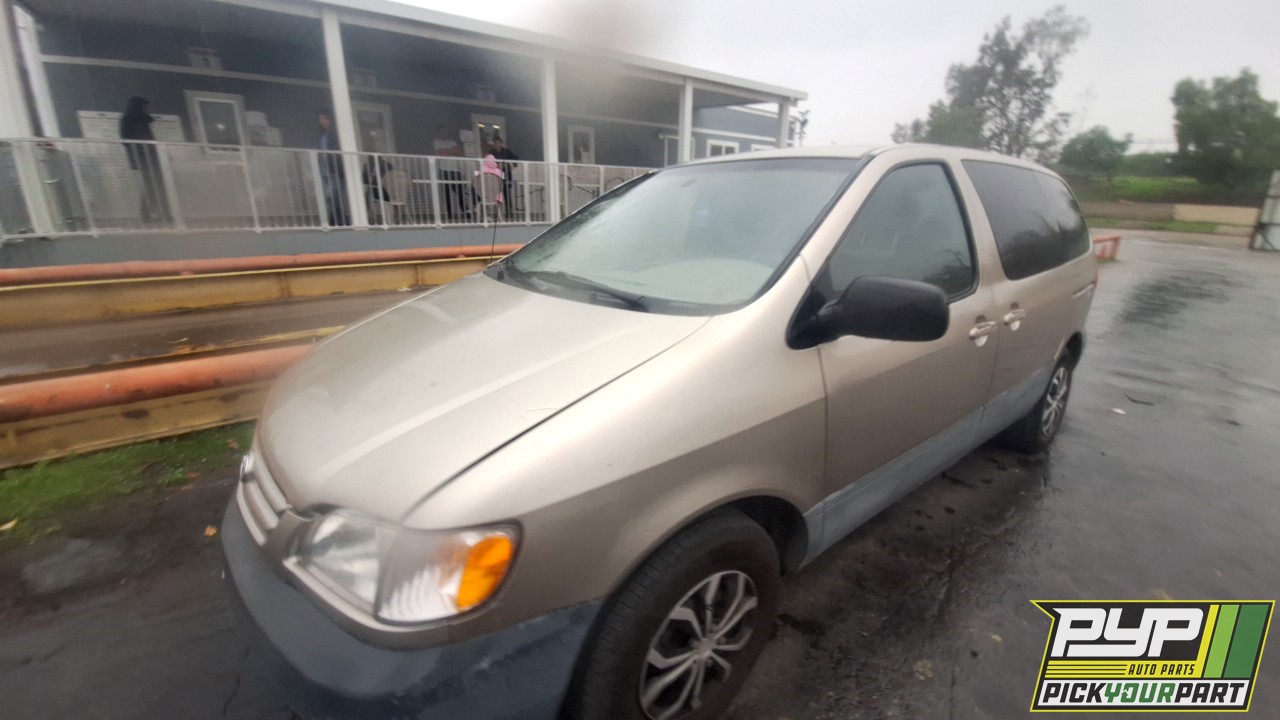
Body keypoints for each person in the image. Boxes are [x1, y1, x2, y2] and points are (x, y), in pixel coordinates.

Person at [119, 96, 170, 224]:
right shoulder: (134, 119)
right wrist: (146, 152)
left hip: (148, 157)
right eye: (146, 107)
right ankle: (155, 214)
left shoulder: (135, 120)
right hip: (146, 158)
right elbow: (135, 140)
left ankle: (155, 214)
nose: (148, 110)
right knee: (153, 185)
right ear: (139, 107)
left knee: (154, 185)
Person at [317, 111, 349, 226]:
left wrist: (335, 170)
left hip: (335, 172)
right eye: (321, 119)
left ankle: (339, 220)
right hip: (326, 172)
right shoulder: (323, 136)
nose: (323, 121)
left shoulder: (334, 135)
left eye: (325, 118)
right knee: (333, 198)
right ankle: (338, 219)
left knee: (332, 196)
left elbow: (337, 154)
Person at [432, 125, 464, 221]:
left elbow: (459, 152)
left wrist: (447, 151)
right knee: (446, 194)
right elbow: (439, 153)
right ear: (439, 132)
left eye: (446, 131)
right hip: (444, 170)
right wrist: (451, 151)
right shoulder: (436, 141)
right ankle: (449, 214)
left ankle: (464, 211)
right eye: (442, 131)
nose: (444, 133)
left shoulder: (452, 141)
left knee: (460, 192)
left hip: (455, 170)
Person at [488, 134, 519, 216]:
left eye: (498, 143)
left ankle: (509, 212)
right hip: (495, 176)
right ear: (493, 144)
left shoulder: (507, 152)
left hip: (506, 175)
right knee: (496, 194)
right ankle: (498, 213)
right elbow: (487, 162)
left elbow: (516, 159)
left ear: (501, 143)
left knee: (506, 193)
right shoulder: (491, 152)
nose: (497, 144)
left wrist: (510, 166)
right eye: (495, 143)